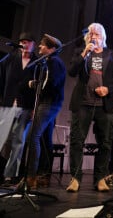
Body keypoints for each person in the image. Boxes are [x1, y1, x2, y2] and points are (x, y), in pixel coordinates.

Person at [66, 23, 113, 193]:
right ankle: (75, 178)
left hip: (104, 106)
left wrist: (108, 89)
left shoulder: (112, 54)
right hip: (82, 103)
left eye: (97, 34)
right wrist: (85, 52)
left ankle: (100, 178)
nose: (94, 36)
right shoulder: (80, 52)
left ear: (103, 36)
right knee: (77, 141)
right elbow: (71, 72)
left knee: (105, 143)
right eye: (91, 34)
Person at [20, 34, 66, 190]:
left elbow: (53, 83)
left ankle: (31, 176)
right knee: (40, 139)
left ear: (51, 48)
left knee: (33, 136)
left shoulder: (56, 63)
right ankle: (37, 175)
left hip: (50, 104)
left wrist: (35, 84)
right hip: (44, 103)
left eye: (42, 45)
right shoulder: (46, 63)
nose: (39, 46)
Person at [0, 32, 37, 186]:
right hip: (8, 104)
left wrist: (34, 108)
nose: (24, 44)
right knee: (3, 139)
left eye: (28, 41)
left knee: (18, 141)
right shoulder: (10, 59)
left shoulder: (37, 62)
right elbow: (2, 79)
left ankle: (10, 176)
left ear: (33, 44)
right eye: (22, 41)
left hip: (25, 106)